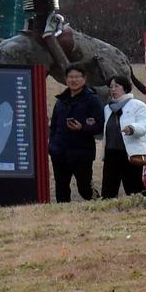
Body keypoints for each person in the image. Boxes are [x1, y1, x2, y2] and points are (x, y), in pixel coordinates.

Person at [48, 62, 104, 202]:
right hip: (59, 152)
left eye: (77, 77)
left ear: (84, 79)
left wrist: (82, 128)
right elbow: (53, 126)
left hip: (81, 152)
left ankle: (100, 205)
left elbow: (100, 126)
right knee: (61, 189)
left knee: (85, 189)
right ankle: (63, 214)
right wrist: (52, 145)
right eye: (70, 77)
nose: (74, 80)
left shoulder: (92, 99)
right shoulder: (61, 101)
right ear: (66, 79)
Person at [101, 74, 146, 198]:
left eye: (116, 86)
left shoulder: (137, 105)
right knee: (108, 189)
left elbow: (145, 124)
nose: (113, 90)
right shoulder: (107, 108)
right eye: (111, 87)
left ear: (125, 88)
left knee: (133, 187)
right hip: (111, 152)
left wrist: (133, 128)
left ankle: (142, 206)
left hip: (130, 152)